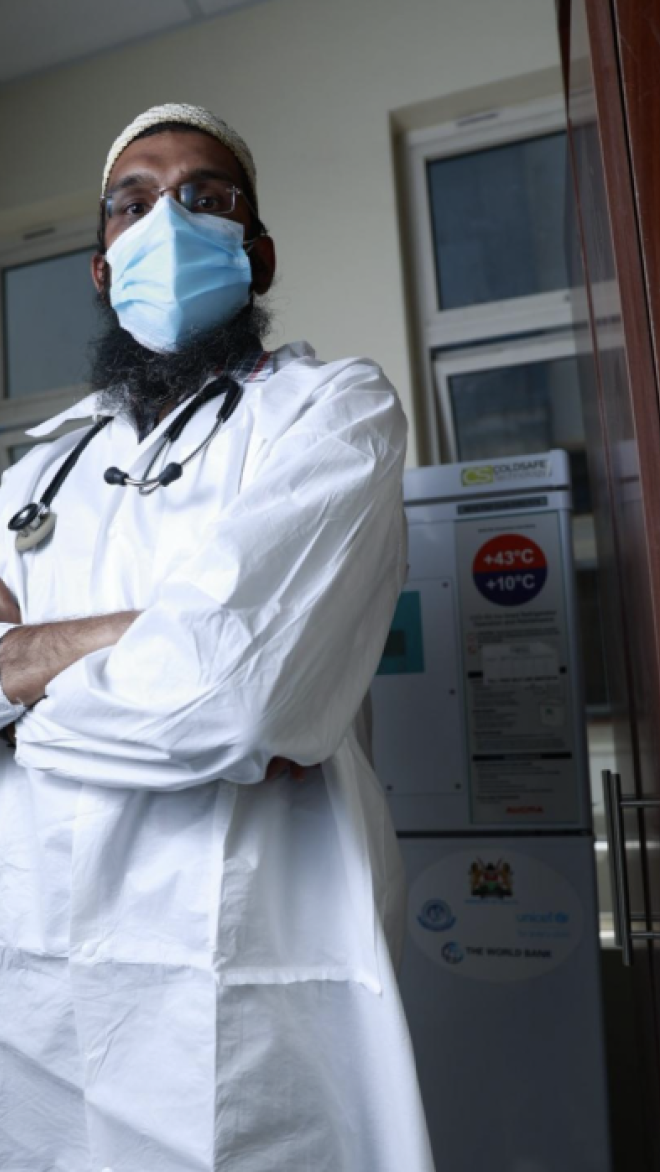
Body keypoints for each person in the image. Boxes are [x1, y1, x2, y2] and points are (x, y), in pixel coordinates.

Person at [0, 104, 435, 1172]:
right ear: (101, 265)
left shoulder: (333, 413)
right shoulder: (29, 473)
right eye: (132, 203)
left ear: (258, 246)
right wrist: (163, 634)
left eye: (206, 197)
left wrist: (26, 678)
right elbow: (221, 668)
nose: (167, 222)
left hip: (242, 974)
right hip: (32, 983)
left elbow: (235, 691)